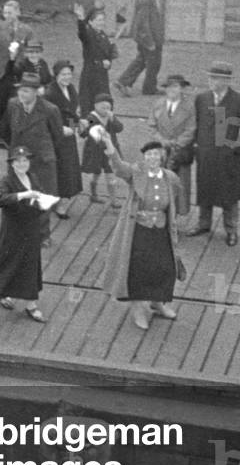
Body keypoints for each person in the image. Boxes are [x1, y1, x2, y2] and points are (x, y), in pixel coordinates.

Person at [102, 138, 187, 330]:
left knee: (163, 266)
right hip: (139, 229)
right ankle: (138, 309)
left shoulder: (170, 177)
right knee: (138, 268)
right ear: (144, 158)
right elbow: (119, 168)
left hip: (161, 229)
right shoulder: (136, 173)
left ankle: (157, 303)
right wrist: (109, 146)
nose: (153, 158)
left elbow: (172, 202)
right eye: (149, 155)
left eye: (156, 154)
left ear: (162, 157)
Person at [185, 61, 240, 246]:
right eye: (210, 77)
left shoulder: (239, 101)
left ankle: (231, 229)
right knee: (205, 189)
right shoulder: (202, 98)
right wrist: (194, 147)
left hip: (228, 158)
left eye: (215, 78)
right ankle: (204, 224)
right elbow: (196, 125)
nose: (210, 81)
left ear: (226, 81)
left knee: (229, 195)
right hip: (205, 155)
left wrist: (236, 148)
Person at [0, 72, 65, 244]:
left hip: (41, 160)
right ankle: (18, 232)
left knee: (42, 197)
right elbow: (6, 130)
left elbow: (57, 137)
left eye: (27, 91)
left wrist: (44, 152)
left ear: (36, 92)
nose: (22, 94)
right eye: (21, 90)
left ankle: (43, 235)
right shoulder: (13, 105)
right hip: (19, 159)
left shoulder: (50, 110)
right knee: (17, 195)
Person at [0, 146, 54, 323]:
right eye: (18, 161)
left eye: (25, 160)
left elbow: (39, 194)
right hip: (14, 230)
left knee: (30, 263)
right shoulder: (7, 181)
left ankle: (30, 304)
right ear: (12, 164)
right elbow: (0, 199)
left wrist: (44, 201)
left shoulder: (32, 177)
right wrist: (23, 195)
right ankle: (3, 293)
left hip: (31, 228)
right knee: (9, 261)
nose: (22, 164)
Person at [148, 74, 195, 213]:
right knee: (157, 185)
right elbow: (151, 126)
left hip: (179, 153)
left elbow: (191, 129)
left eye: (175, 86)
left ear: (182, 88)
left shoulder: (189, 107)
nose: (171, 90)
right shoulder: (158, 104)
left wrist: (176, 144)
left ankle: (174, 219)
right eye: (169, 86)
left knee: (178, 187)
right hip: (159, 151)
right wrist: (162, 141)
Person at [44, 60, 83, 219]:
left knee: (68, 168)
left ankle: (62, 202)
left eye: (69, 74)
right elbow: (46, 116)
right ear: (56, 75)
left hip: (68, 136)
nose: (67, 77)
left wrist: (75, 127)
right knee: (57, 168)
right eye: (63, 74)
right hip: (54, 137)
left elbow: (72, 112)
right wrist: (60, 128)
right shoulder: (50, 93)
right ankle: (55, 200)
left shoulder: (71, 89)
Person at [115, 0, 164, 97]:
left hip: (148, 36)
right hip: (148, 37)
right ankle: (149, 88)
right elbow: (142, 22)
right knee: (153, 62)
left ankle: (123, 81)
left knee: (142, 60)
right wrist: (149, 42)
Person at [74, 3, 118, 116]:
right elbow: (82, 33)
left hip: (102, 75)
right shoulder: (89, 34)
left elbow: (108, 53)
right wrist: (80, 19)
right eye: (98, 20)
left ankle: (103, 126)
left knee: (104, 102)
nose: (101, 22)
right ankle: (89, 129)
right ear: (91, 22)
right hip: (90, 75)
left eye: (103, 20)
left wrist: (109, 61)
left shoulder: (103, 35)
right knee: (88, 105)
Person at [81, 93, 124, 207]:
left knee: (110, 175)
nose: (105, 110)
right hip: (96, 151)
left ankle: (114, 200)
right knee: (96, 173)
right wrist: (82, 127)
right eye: (102, 107)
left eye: (108, 108)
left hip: (110, 150)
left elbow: (119, 128)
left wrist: (113, 118)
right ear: (95, 106)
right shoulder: (91, 118)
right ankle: (93, 194)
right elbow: (84, 132)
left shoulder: (110, 117)